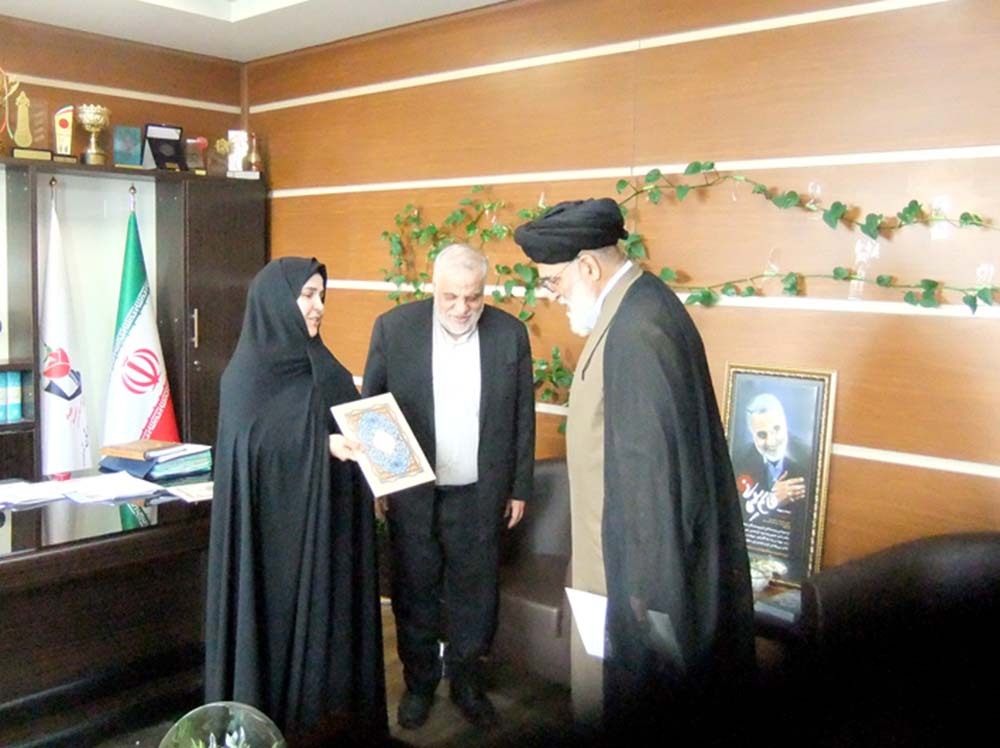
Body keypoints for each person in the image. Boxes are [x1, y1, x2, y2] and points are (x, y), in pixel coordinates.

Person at [513, 199, 756, 741]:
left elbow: (654, 477)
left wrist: (645, 596)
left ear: (587, 267)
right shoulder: (631, 310)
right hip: (610, 558)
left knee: (626, 702)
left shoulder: (639, 330)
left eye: (553, 282)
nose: (552, 295)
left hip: (631, 575)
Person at [204, 257, 387, 742]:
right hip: (273, 546)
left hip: (328, 530)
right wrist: (321, 444)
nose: (318, 306)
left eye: (321, 295)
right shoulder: (245, 376)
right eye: (307, 295)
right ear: (275, 301)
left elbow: (345, 417)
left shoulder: (323, 363)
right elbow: (251, 448)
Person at [361, 243, 535, 730]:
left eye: (473, 297)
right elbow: (371, 409)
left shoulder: (510, 334)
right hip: (413, 491)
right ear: (432, 288)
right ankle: (419, 684)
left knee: (475, 596)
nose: (462, 308)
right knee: (414, 590)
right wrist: (379, 483)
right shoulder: (394, 329)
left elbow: (522, 415)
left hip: (480, 492)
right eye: (451, 297)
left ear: (485, 291)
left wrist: (519, 486)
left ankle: (467, 684)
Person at [732, 392, 813, 583]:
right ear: (752, 434)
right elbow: (734, 514)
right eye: (761, 435)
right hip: (749, 564)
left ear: (785, 424)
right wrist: (772, 500)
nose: (771, 441)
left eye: (777, 429)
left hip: (793, 566)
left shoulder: (809, 459)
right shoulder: (738, 459)